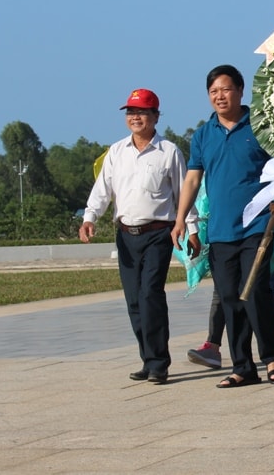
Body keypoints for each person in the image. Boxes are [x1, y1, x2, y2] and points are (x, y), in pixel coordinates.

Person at [172, 64, 274, 388]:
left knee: (256, 295)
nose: (219, 96)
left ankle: (273, 358)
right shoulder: (203, 135)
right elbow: (193, 178)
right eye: (213, 92)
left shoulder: (262, 127)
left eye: (225, 89)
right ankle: (242, 366)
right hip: (221, 232)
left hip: (257, 227)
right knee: (230, 298)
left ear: (240, 90)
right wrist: (181, 218)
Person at [79, 88, 200, 384]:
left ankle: (159, 363)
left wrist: (192, 228)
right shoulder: (116, 152)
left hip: (158, 233)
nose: (136, 118)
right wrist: (89, 217)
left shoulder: (169, 152)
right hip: (126, 235)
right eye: (131, 112)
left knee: (150, 295)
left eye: (143, 112)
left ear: (156, 117)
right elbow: (103, 189)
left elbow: (184, 193)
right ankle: (147, 358)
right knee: (134, 300)